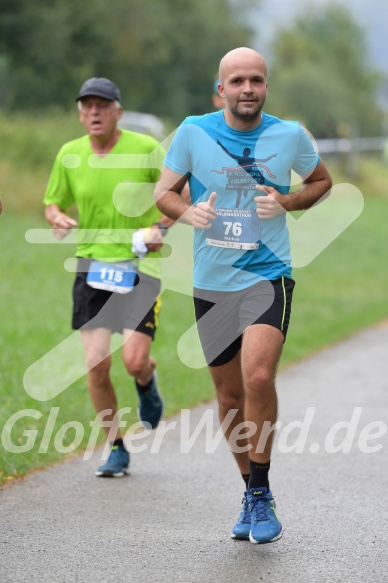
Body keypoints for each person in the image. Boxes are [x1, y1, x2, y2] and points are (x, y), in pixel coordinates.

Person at [154, 48, 332, 543]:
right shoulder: (193, 131)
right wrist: (189, 215)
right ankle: (250, 490)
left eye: (256, 80)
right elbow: (164, 194)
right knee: (229, 394)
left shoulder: (289, 134)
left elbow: (322, 181)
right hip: (212, 281)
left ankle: (260, 492)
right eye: (237, 81)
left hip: (267, 273)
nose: (247, 89)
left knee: (257, 375)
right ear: (221, 88)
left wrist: (287, 201)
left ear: (266, 87)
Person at [44, 77, 172, 478]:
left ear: (119, 111)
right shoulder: (69, 153)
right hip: (92, 267)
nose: (94, 113)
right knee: (95, 365)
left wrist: (160, 228)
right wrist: (57, 216)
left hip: (140, 267)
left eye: (102, 105)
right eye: (87, 106)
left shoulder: (146, 149)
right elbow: (52, 201)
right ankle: (115, 447)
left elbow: (177, 197)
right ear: (80, 113)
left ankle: (146, 383)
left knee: (134, 361)